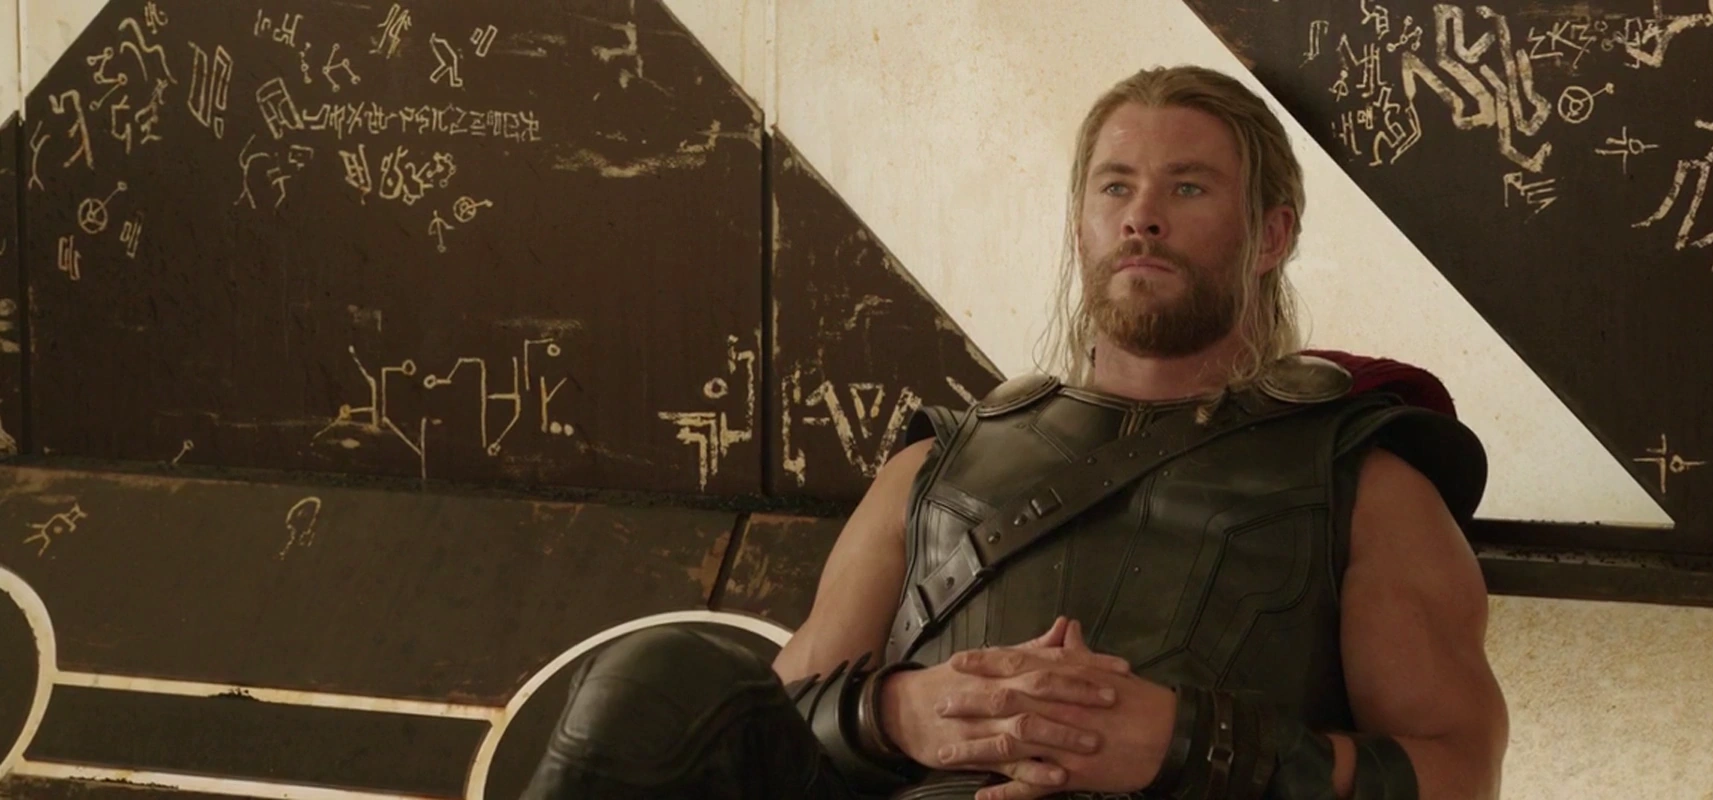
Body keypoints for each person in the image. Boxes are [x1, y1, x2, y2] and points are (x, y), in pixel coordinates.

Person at [521, 64, 1509, 800]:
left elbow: (1459, 770)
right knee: (658, 678)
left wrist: (1182, 742)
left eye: (1188, 187)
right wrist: (899, 710)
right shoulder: (934, 460)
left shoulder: (1365, 476)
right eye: (1115, 186)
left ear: (1273, 236)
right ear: (1081, 224)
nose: (1143, 218)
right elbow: (770, 725)